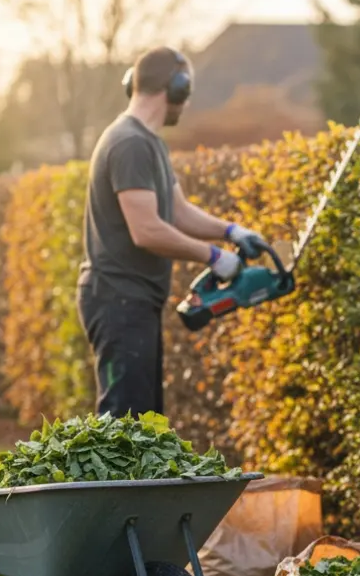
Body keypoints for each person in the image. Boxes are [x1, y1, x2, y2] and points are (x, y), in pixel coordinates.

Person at [77, 45, 268, 418]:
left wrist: (231, 231)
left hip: (134, 301)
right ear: (176, 88)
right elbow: (146, 230)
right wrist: (213, 257)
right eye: (186, 92)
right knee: (122, 423)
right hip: (117, 299)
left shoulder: (149, 144)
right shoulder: (129, 143)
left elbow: (177, 212)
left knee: (144, 420)